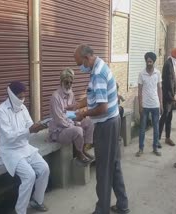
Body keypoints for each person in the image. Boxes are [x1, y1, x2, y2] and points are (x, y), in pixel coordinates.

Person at [73, 44, 129, 214]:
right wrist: (76, 105)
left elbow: (102, 107)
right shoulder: (100, 65)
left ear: (86, 58)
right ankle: (122, 205)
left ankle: (102, 210)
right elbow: (94, 96)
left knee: (104, 169)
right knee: (113, 165)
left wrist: (83, 114)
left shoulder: (97, 74)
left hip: (106, 125)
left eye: (79, 63)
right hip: (112, 122)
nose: (79, 67)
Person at [0, 81, 49, 214]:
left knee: (44, 168)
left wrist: (38, 127)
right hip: (9, 150)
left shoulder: (23, 108)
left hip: (24, 147)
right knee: (29, 176)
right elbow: (8, 137)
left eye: (24, 96)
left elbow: (29, 125)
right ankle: (20, 211)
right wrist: (29, 130)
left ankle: (37, 200)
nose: (22, 99)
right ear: (11, 95)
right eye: (19, 96)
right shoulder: (1, 111)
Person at [49, 68, 94, 164]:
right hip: (59, 130)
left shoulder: (71, 94)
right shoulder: (55, 97)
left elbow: (73, 112)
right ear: (61, 82)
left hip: (70, 124)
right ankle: (78, 153)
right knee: (78, 130)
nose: (69, 85)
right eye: (66, 82)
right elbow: (59, 120)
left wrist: (79, 117)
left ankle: (83, 149)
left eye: (71, 83)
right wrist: (74, 125)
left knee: (89, 122)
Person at [137, 52, 163, 157]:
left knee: (156, 128)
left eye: (150, 61)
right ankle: (141, 148)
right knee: (142, 128)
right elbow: (139, 91)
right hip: (145, 105)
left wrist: (161, 104)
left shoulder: (158, 73)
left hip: (155, 105)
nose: (149, 63)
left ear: (154, 62)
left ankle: (155, 148)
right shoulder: (141, 74)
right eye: (147, 61)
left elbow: (159, 89)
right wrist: (140, 105)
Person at [159, 47, 176, 147]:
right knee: (164, 118)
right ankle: (157, 139)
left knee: (169, 118)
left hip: (170, 96)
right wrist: (172, 97)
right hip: (167, 97)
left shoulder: (172, 63)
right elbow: (168, 83)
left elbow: (173, 81)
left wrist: (174, 94)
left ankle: (167, 138)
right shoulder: (168, 64)